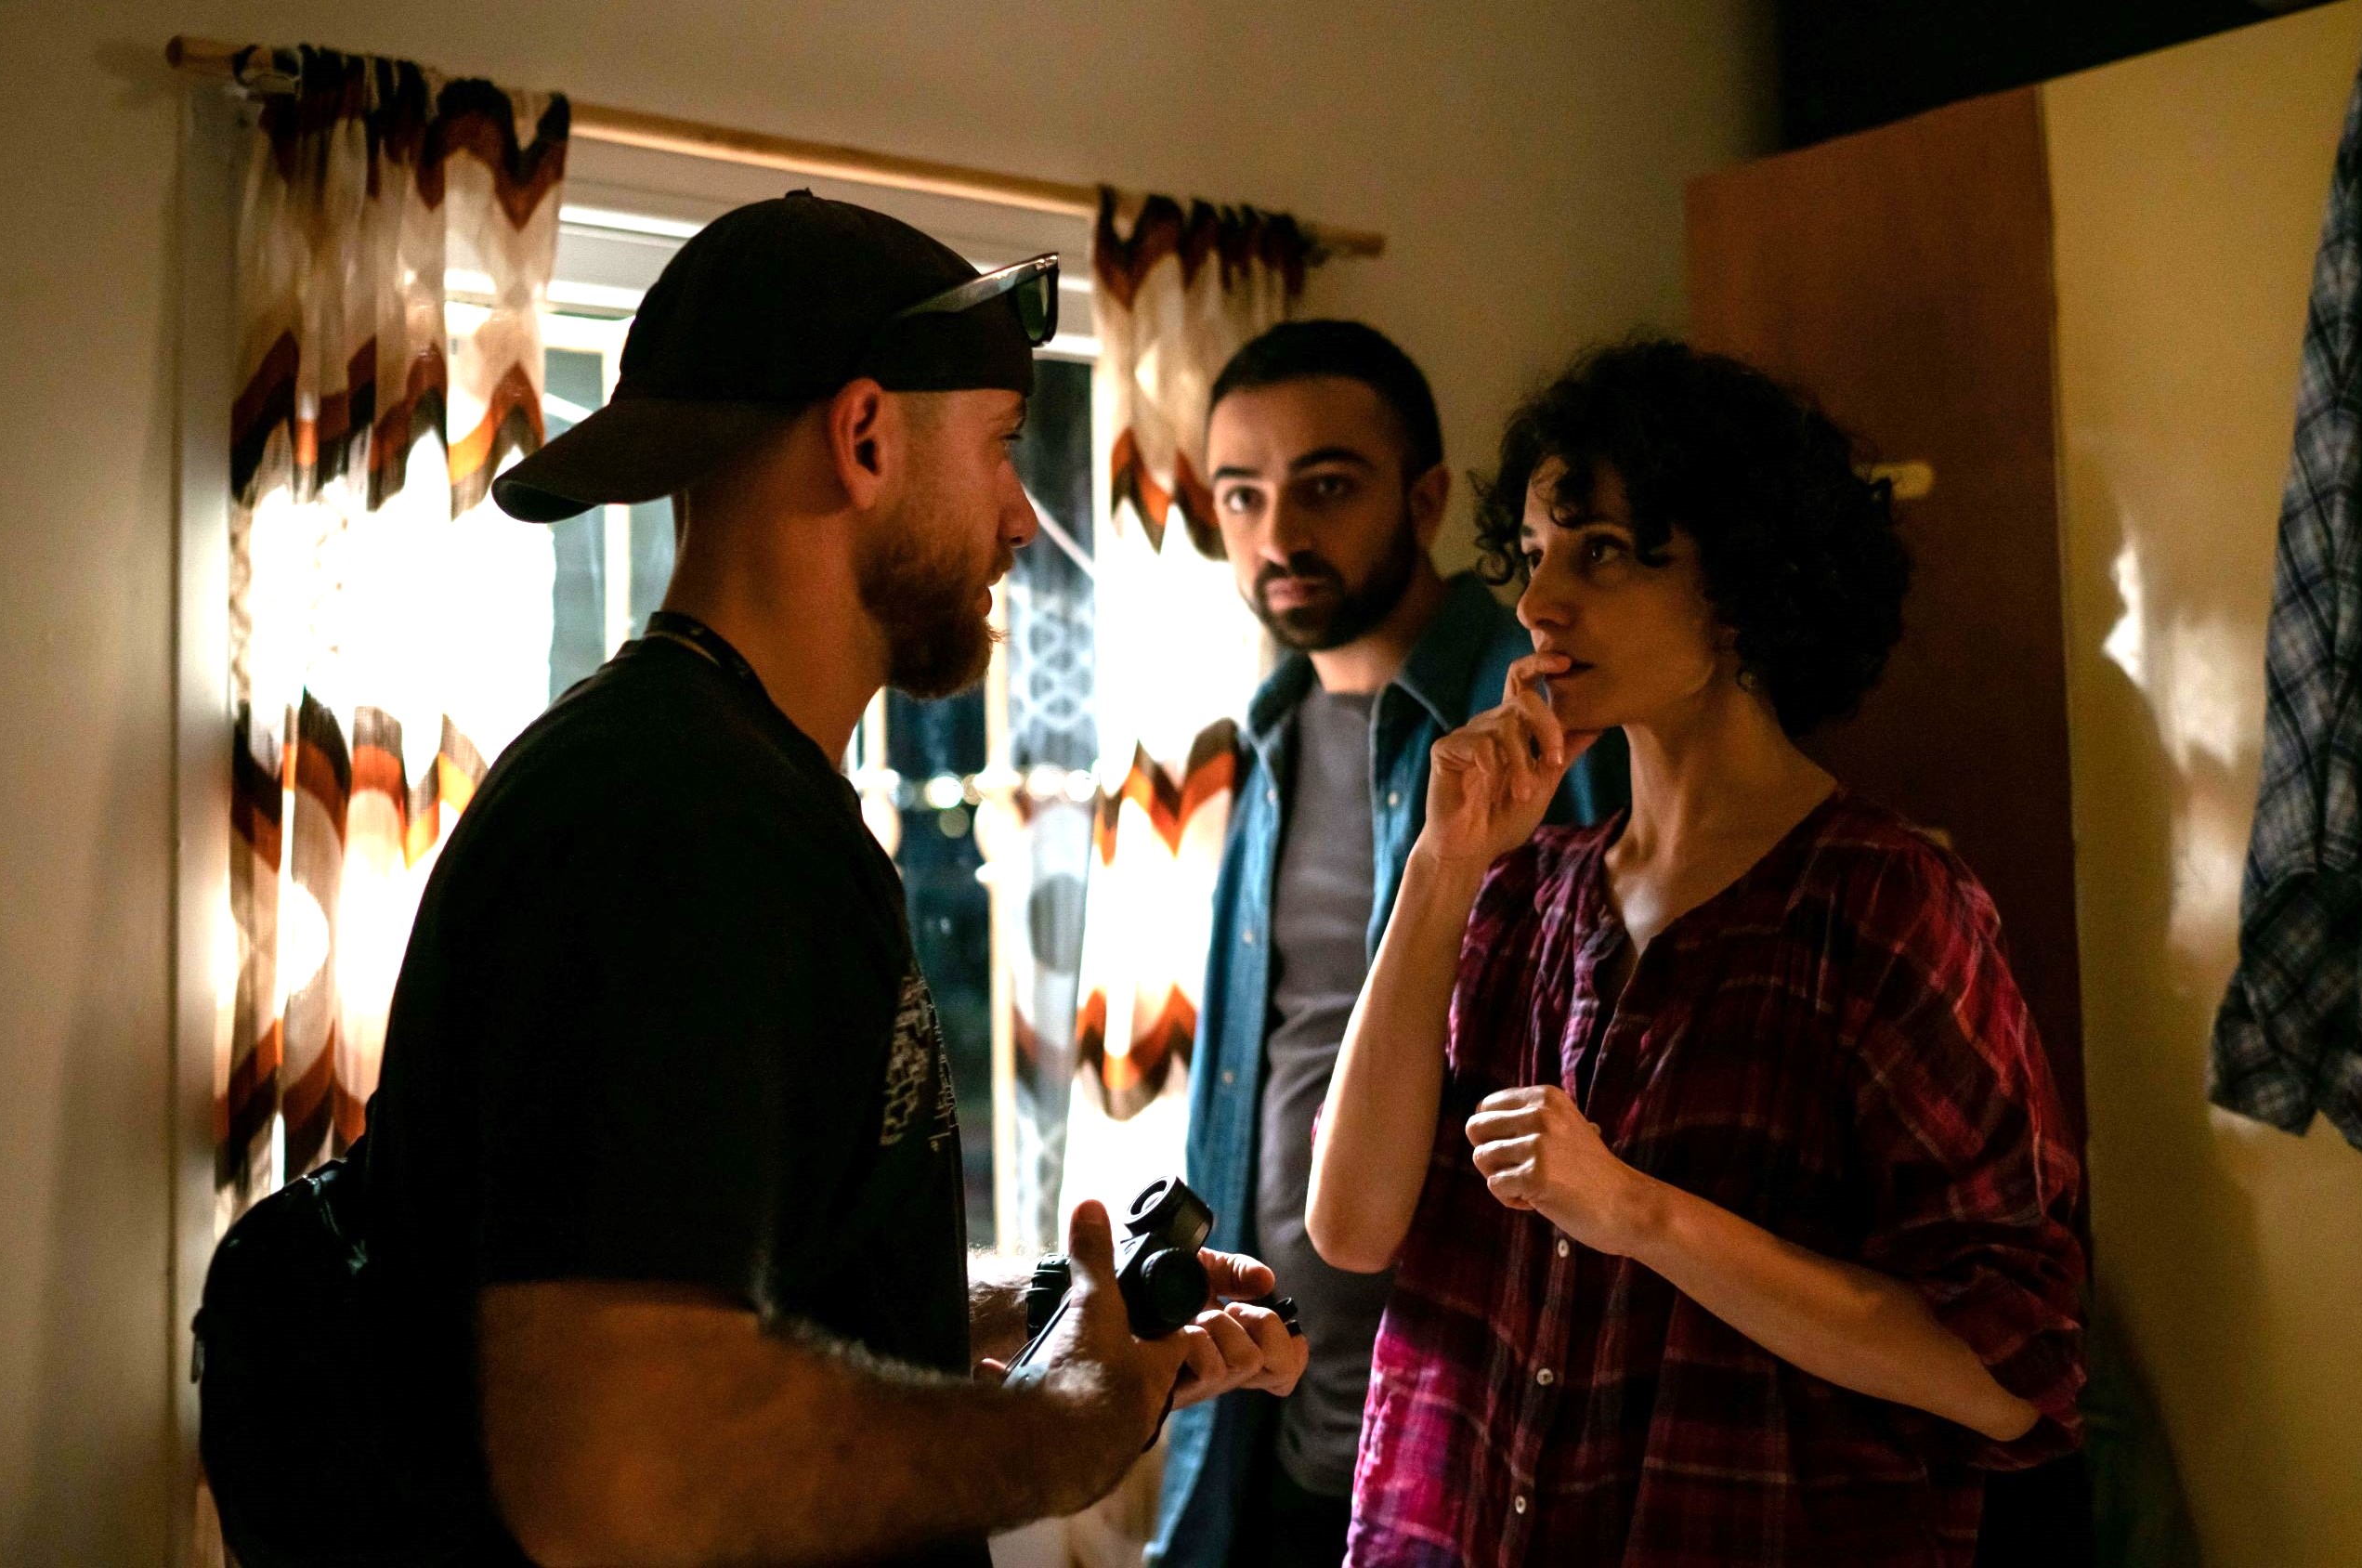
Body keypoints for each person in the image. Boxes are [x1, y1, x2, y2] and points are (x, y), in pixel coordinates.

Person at [359, 193, 1306, 1568]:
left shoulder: (732, 783)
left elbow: (736, 1266)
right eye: (998, 450)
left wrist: (1031, 1314)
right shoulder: (676, 822)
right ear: (866, 437)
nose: (1023, 521)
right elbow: (624, 1463)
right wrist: (1065, 1425)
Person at [1308, 339, 2086, 1565]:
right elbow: (1349, 1227)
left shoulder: (1886, 907)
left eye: (1603, 553)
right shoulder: (1527, 897)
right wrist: (1439, 867)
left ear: (1740, 585)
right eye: (1536, 552)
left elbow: (2005, 1372)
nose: (1538, 602)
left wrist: (1637, 1213)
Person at [1152, 322, 1628, 1568]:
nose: (1278, 534)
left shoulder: (1544, 729)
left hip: (1476, 1417)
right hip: (1280, 1416)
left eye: (1326, 485)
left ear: (1424, 500)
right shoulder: (1265, 740)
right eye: (1242, 496)